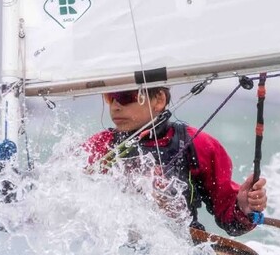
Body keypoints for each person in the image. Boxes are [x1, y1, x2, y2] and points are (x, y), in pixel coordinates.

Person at [83, 87, 267, 236]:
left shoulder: (198, 144)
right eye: (110, 97)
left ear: (159, 100)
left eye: (125, 96)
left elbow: (230, 221)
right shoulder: (98, 147)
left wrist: (244, 208)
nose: (115, 106)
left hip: (178, 249)